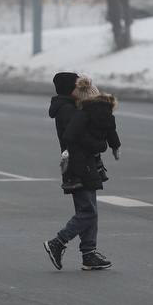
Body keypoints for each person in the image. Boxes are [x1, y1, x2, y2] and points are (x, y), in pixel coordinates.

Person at [43, 73, 116, 272]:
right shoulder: (66, 110)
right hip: (77, 164)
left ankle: (89, 254)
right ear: (69, 89)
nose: (81, 89)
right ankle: (57, 242)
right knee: (88, 212)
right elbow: (80, 138)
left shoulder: (74, 106)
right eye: (78, 86)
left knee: (89, 209)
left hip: (85, 163)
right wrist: (101, 144)